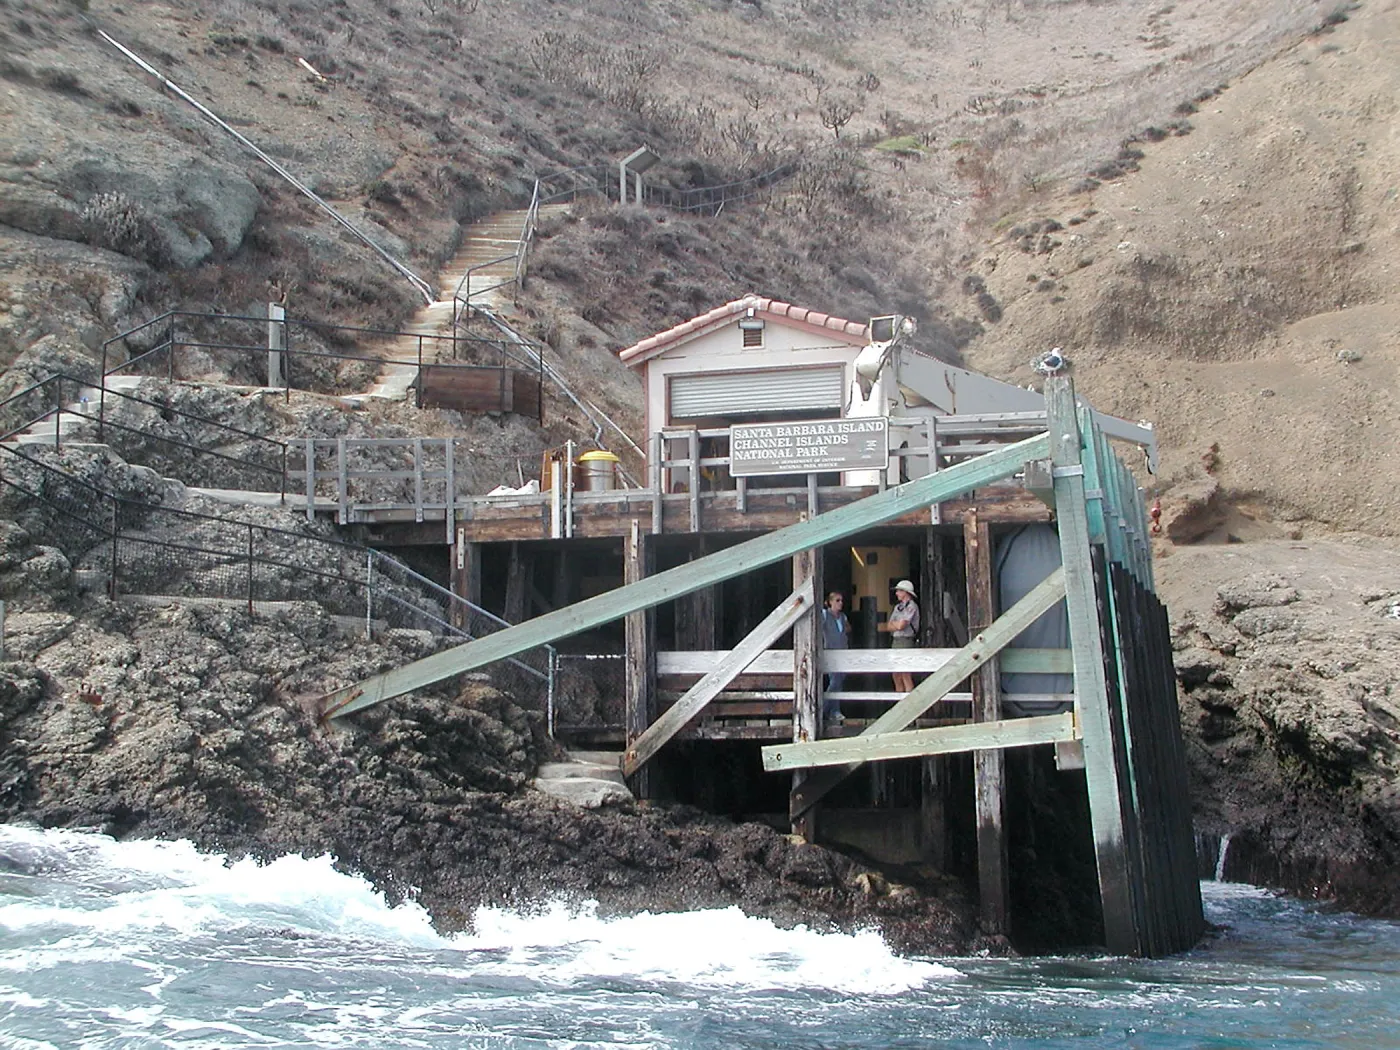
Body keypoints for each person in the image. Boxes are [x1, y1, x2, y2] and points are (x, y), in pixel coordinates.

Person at [878, 579, 920, 694]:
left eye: (898, 591)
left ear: (905, 592)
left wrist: (895, 625)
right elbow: (888, 625)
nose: (896, 593)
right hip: (896, 641)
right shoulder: (898, 607)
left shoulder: (912, 606)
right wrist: (895, 625)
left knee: (905, 672)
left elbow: (901, 625)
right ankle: (899, 699)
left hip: (905, 641)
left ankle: (908, 701)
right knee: (896, 673)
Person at [820, 591, 850, 725]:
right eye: (837, 600)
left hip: (843, 651)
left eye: (841, 600)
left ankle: (832, 711)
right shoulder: (825, 614)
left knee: (839, 681)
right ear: (830, 602)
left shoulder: (843, 617)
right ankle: (826, 709)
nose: (840, 603)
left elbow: (847, 629)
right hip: (831, 651)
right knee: (835, 680)